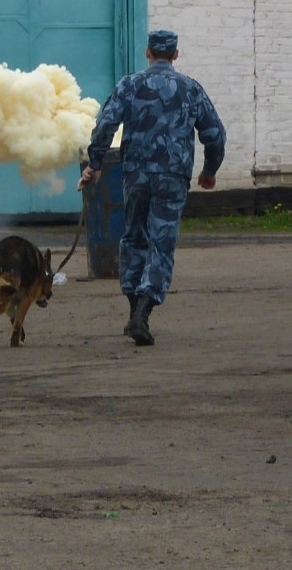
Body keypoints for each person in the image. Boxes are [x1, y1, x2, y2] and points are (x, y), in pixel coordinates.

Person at [77, 29, 226, 346]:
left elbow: (105, 125)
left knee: (133, 238)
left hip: (136, 175)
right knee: (162, 243)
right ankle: (142, 315)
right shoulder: (190, 89)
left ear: (148, 52)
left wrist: (96, 162)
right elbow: (215, 135)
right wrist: (209, 171)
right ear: (175, 54)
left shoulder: (129, 85)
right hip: (173, 176)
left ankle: (135, 313)